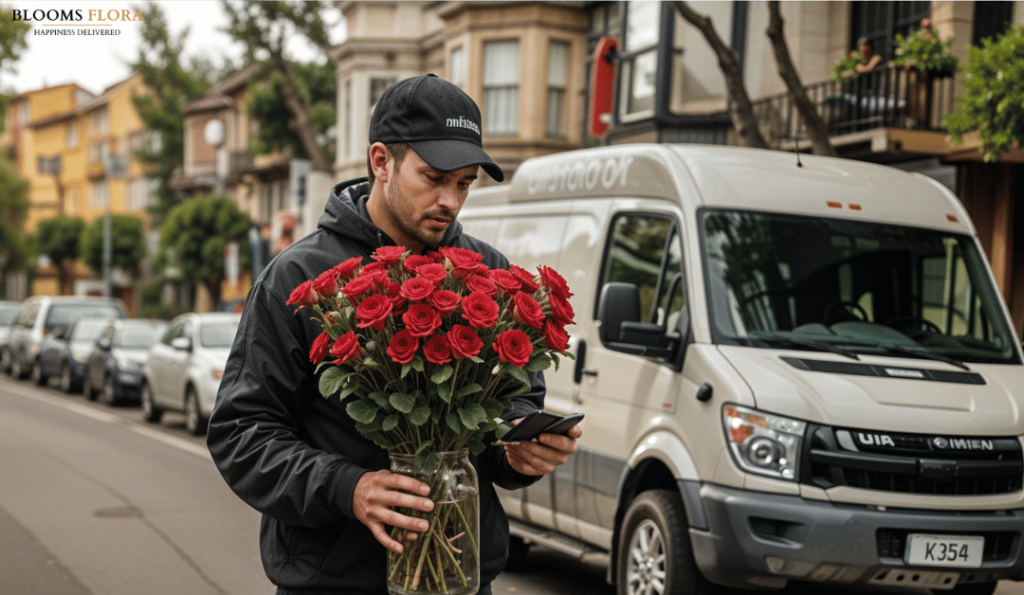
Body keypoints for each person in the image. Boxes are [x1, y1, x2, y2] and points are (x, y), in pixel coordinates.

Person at [207, 73, 582, 595]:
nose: (450, 200)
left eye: (464, 183)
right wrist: (348, 487)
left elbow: (510, 405)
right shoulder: (296, 279)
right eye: (434, 177)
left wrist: (519, 449)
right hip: (335, 583)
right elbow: (240, 433)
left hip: (461, 578)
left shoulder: (488, 271)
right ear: (381, 162)